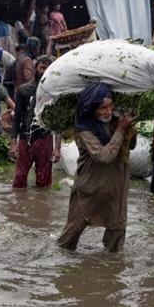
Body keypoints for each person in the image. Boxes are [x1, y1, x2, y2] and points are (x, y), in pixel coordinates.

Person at [57, 83, 135, 253]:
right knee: (70, 236)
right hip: (89, 189)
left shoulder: (117, 121)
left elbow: (132, 145)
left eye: (110, 106)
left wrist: (129, 127)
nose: (107, 111)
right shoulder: (84, 130)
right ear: (91, 109)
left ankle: (110, 272)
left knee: (116, 234)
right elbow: (103, 156)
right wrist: (121, 130)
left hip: (115, 188)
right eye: (102, 107)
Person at [10, 55, 59, 189]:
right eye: (42, 67)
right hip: (25, 138)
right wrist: (13, 143)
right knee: (19, 180)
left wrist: (57, 148)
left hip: (45, 139)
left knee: (44, 182)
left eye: (48, 68)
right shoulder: (23, 90)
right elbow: (17, 117)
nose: (44, 71)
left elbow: (57, 121)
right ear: (36, 69)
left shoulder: (54, 93)